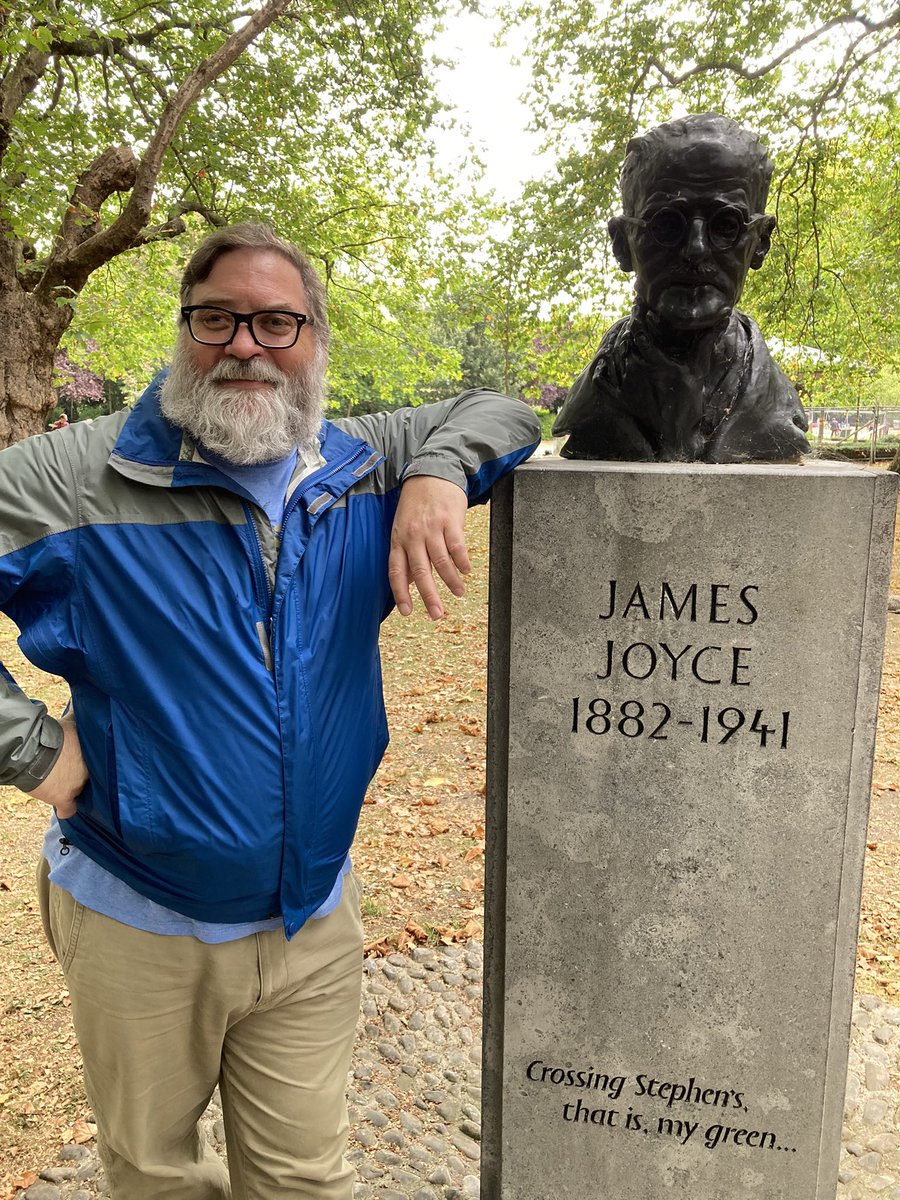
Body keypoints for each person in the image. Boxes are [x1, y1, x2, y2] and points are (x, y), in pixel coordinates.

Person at [0, 223, 540, 1200]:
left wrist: (435, 474)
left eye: (278, 322)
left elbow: (505, 409)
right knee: (155, 1178)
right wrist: (32, 750)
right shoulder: (76, 476)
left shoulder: (363, 461)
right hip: (138, 923)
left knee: (303, 1184)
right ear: (183, 332)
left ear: (316, 341)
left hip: (313, 929)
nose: (246, 344)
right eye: (217, 318)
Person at [553, 112, 810, 463]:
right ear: (622, 244)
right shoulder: (597, 402)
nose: (696, 249)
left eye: (725, 225)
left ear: (760, 242)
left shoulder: (774, 408)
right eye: (667, 224)